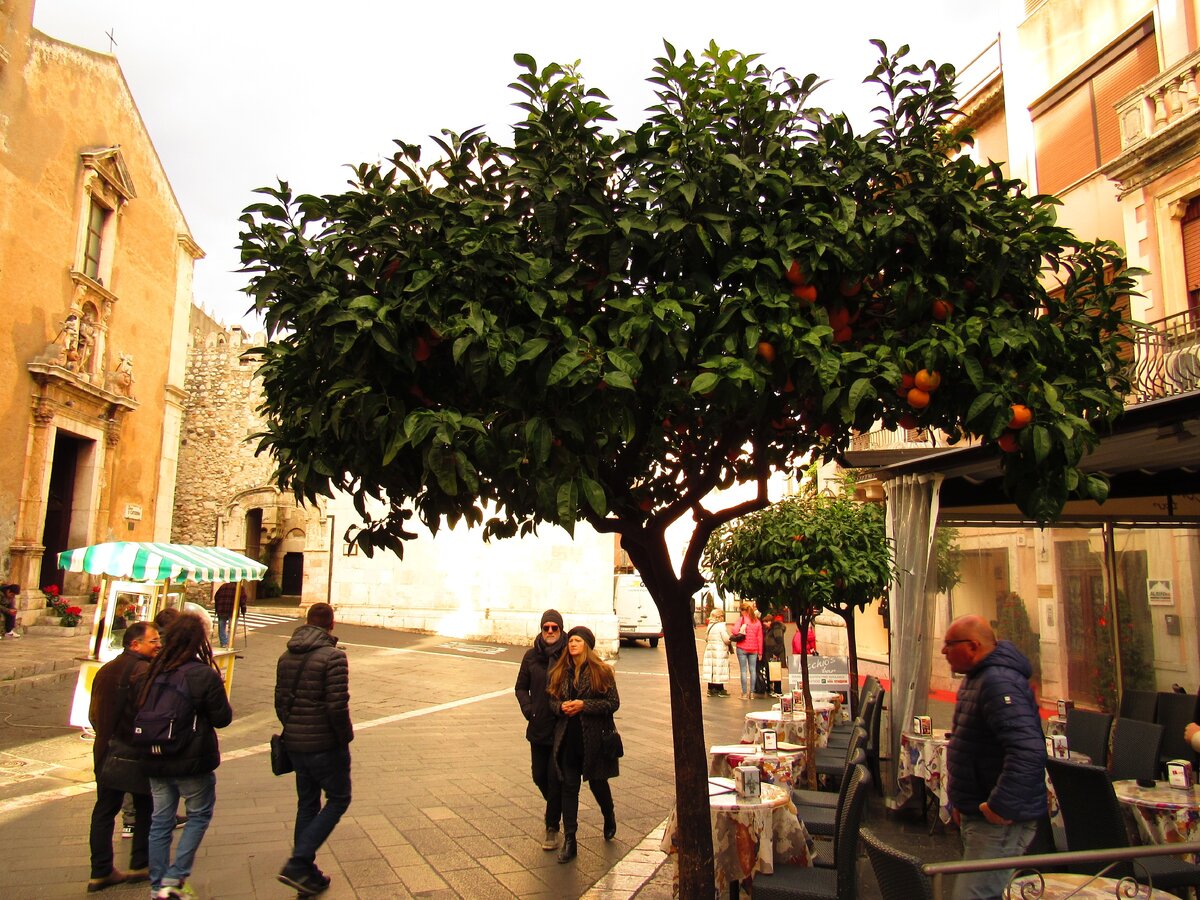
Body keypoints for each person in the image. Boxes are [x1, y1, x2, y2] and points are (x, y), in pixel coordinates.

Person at [943, 615, 1047, 900]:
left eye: (949, 645)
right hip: (979, 812)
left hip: (998, 821)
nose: (944, 651)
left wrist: (999, 805)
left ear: (973, 646)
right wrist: (961, 802)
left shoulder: (998, 681)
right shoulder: (977, 678)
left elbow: (1028, 749)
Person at [135, 612, 233, 900]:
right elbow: (222, 718)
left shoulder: (154, 669)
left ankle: (157, 887)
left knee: (161, 819)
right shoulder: (202, 673)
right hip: (190, 757)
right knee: (199, 814)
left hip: (154, 755)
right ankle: (174, 878)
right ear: (199, 641)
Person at [275, 602, 353, 896]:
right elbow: (337, 705)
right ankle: (298, 862)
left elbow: (280, 701)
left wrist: (293, 727)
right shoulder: (334, 657)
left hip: (295, 742)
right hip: (325, 744)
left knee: (307, 803)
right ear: (331, 625)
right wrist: (344, 737)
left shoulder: (286, 656)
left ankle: (306, 872)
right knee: (338, 799)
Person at [86, 621, 161, 893]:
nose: (158, 645)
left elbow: (93, 714)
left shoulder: (105, 669)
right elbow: (151, 715)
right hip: (134, 751)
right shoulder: (143, 672)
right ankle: (139, 863)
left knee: (104, 810)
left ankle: (100, 870)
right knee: (144, 808)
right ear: (134, 644)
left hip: (105, 749)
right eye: (153, 641)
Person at [548, 625, 619, 864]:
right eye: (571, 641)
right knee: (569, 787)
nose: (572, 644)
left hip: (593, 740)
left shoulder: (602, 671)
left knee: (598, 784)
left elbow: (613, 703)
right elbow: (551, 701)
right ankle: (570, 840)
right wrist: (561, 707)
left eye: (577, 641)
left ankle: (608, 815)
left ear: (586, 645)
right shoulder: (561, 671)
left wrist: (583, 705)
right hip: (568, 738)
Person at [514, 609, 567, 851]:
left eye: (554, 628)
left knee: (554, 778)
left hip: (561, 727)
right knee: (538, 776)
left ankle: (552, 827)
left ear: (561, 629)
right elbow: (521, 687)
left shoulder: (569, 654)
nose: (550, 632)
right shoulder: (530, 657)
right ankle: (560, 807)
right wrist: (528, 709)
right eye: (546, 628)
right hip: (538, 725)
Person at [731, 602, 763, 700]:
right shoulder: (757, 621)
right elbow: (760, 637)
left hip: (742, 648)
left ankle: (744, 693)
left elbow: (735, 631)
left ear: (743, 611)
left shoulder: (742, 620)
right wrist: (760, 652)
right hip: (754, 649)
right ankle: (752, 693)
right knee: (752, 670)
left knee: (743, 671)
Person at [701, 608, 732, 697]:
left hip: (710, 649)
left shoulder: (710, 626)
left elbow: (706, 638)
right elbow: (726, 639)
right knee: (719, 669)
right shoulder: (721, 626)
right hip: (719, 650)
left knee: (711, 669)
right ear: (720, 616)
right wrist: (730, 641)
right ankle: (720, 689)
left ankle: (710, 689)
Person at [212, 582, 244, 649]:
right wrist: (243, 609)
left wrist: (216, 608)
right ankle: (229, 643)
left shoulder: (223, 586)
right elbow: (242, 599)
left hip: (222, 609)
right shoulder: (239, 588)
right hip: (233, 610)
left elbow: (216, 597)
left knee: (221, 627)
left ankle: (223, 643)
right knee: (232, 627)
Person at [762, 614, 787, 697]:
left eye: (766, 622)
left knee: (775, 672)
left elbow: (780, 642)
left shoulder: (776, 628)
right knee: (771, 671)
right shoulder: (769, 629)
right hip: (770, 654)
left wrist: (775, 653)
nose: (765, 624)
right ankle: (771, 689)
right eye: (764, 622)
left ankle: (778, 690)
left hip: (775, 654)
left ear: (771, 621)